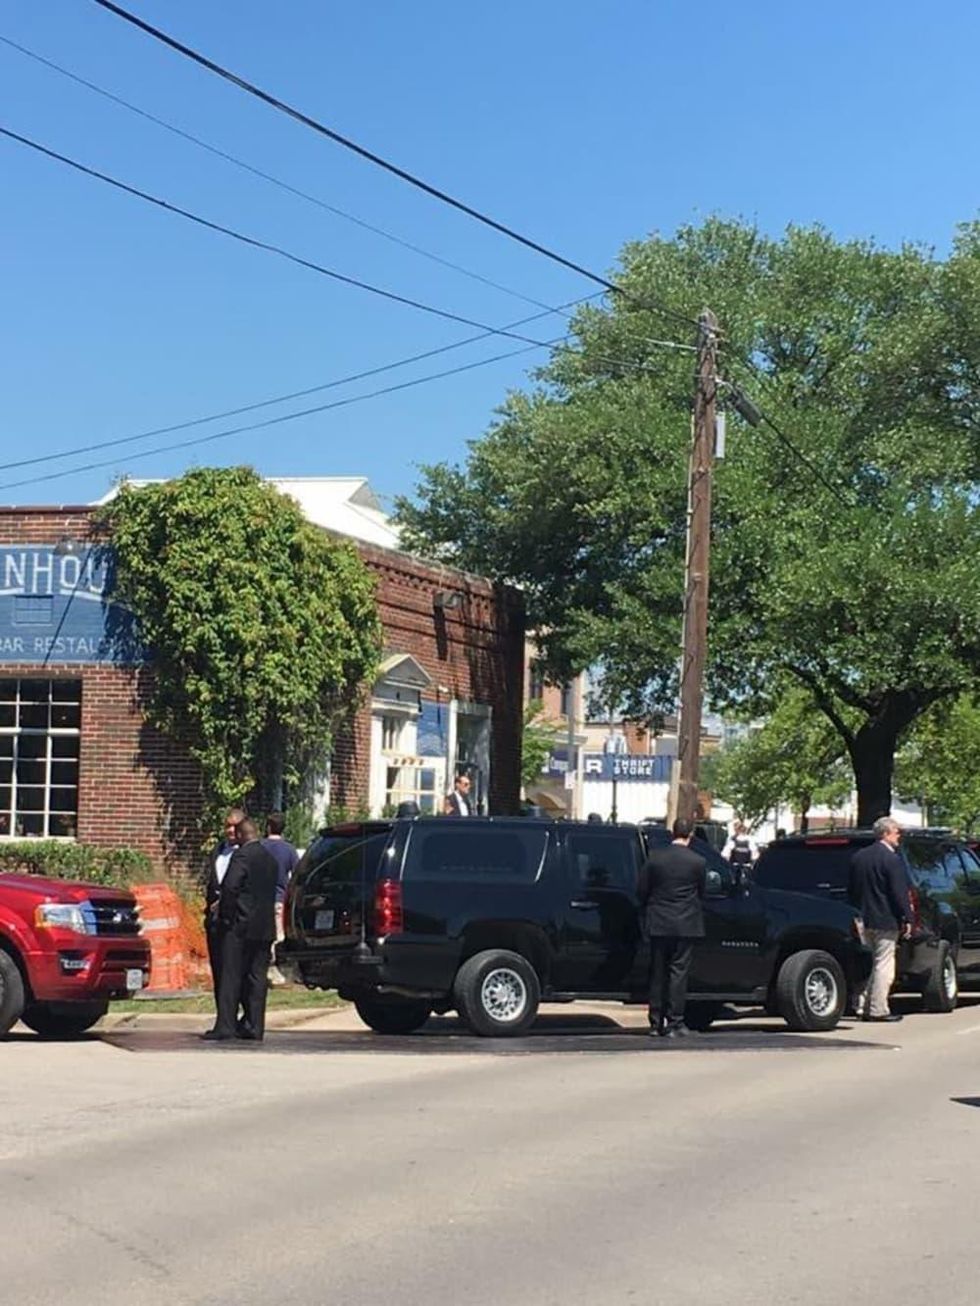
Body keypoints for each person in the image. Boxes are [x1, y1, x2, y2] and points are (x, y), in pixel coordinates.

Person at [204, 818, 279, 1042]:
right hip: (265, 927)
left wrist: (225, 914)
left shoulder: (242, 856)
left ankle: (225, 1026)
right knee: (257, 978)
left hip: (240, 926)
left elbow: (230, 886)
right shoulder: (269, 859)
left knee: (231, 975)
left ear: (240, 835)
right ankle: (255, 1026)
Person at [637, 817, 707, 1038]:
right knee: (678, 973)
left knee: (658, 972)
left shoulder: (655, 859)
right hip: (686, 923)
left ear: (672, 833)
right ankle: (675, 1022)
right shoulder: (698, 862)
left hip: (659, 922)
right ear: (691, 834)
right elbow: (702, 892)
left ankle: (655, 1022)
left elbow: (642, 890)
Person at [848, 816, 912, 1023]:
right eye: (896, 832)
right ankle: (878, 1009)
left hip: (862, 918)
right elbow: (898, 892)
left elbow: (853, 890)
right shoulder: (891, 859)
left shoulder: (859, 857)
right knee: (884, 965)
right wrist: (907, 917)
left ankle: (861, 1004)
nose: (899, 835)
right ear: (885, 833)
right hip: (885, 919)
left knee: (870, 963)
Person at [203, 806, 245, 1001]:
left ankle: (241, 1016)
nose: (230, 831)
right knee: (219, 969)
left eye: (234, 826)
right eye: (227, 826)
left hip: (237, 921)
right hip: (215, 921)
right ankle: (223, 1019)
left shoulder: (248, 853)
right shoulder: (218, 851)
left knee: (237, 971)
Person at [262, 811, 299, 983]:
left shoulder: (260, 846)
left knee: (260, 933)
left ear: (268, 827)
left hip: (259, 898)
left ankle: (261, 968)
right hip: (279, 898)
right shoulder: (289, 850)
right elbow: (298, 875)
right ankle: (275, 969)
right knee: (278, 935)